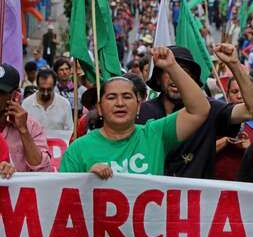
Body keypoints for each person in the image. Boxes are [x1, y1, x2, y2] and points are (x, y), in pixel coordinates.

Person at [60, 47, 211, 178]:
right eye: (112, 97)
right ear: (99, 108)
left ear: (139, 106)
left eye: (127, 97)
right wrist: (85, 179)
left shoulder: (155, 135)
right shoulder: (77, 150)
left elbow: (200, 110)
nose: (120, 103)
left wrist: (172, 67)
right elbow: (62, 200)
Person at [137, 44, 253, 178]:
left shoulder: (211, 109)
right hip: (152, 197)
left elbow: (252, 110)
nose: (175, 77)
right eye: (168, 70)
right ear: (158, 79)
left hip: (197, 198)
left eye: (184, 73)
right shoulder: (140, 112)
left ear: (193, 81)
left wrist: (235, 64)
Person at [0, 64, 53, 172]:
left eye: (0, 93)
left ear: (15, 96)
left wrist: (23, 130)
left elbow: (44, 171)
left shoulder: (31, 126)